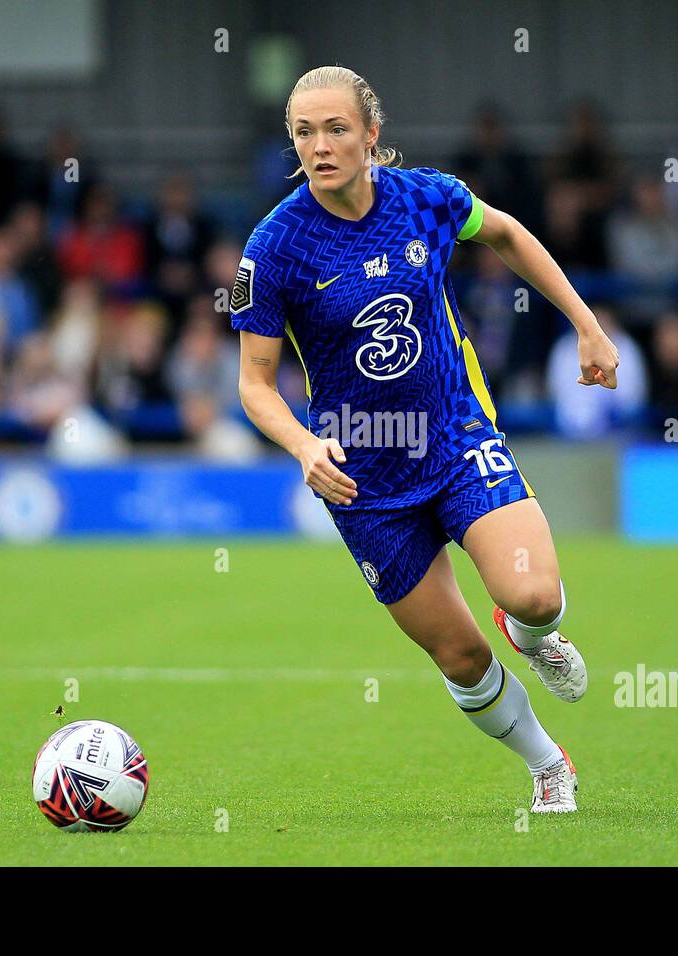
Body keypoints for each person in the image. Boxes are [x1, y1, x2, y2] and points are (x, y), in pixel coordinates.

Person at [232, 66, 619, 813]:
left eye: (336, 128)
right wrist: (304, 448)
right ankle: (548, 764)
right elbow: (254, 382)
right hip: (361, 478)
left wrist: (586, 323)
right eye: (304, 133)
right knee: (462, 654)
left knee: (534, 596)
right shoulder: (274, 247)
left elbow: (505, 232)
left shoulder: (427, 198)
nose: (320, 145)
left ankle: (533, 633)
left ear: (372, 134)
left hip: (453, 438)